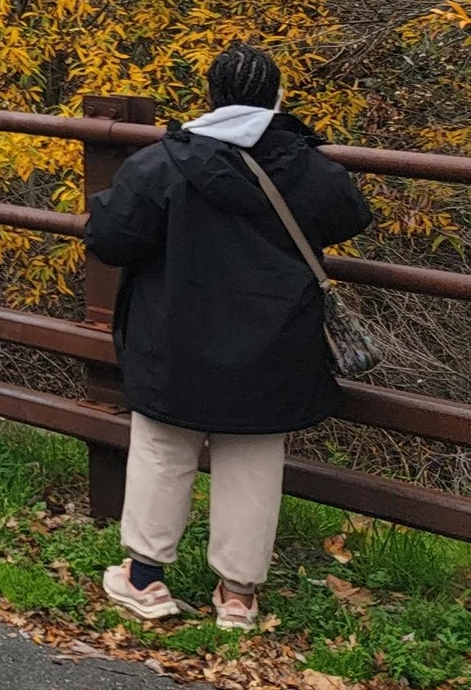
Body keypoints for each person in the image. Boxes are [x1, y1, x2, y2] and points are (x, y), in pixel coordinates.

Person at [87, 42, 372, 630]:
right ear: (276, 97)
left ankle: (145, 580)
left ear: (211, 96)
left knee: (164, 448)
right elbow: (350, 214)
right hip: (273, 343)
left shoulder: (163, 163)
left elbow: (110, 238)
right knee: (254, 456)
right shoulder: (309, 167)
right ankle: (238, 596)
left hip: (174, 336)